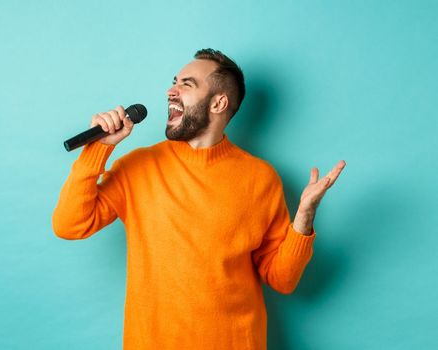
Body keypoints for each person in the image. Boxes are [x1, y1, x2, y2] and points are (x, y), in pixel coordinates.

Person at [51, 48, 346, 350]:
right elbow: (70, 225)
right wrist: (98, 149)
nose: (171, 90)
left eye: (186, 84)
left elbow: (282, 280)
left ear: (219, 102)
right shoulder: (139, 167)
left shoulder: (261, 178)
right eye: (174, 81)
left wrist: (304, 218)